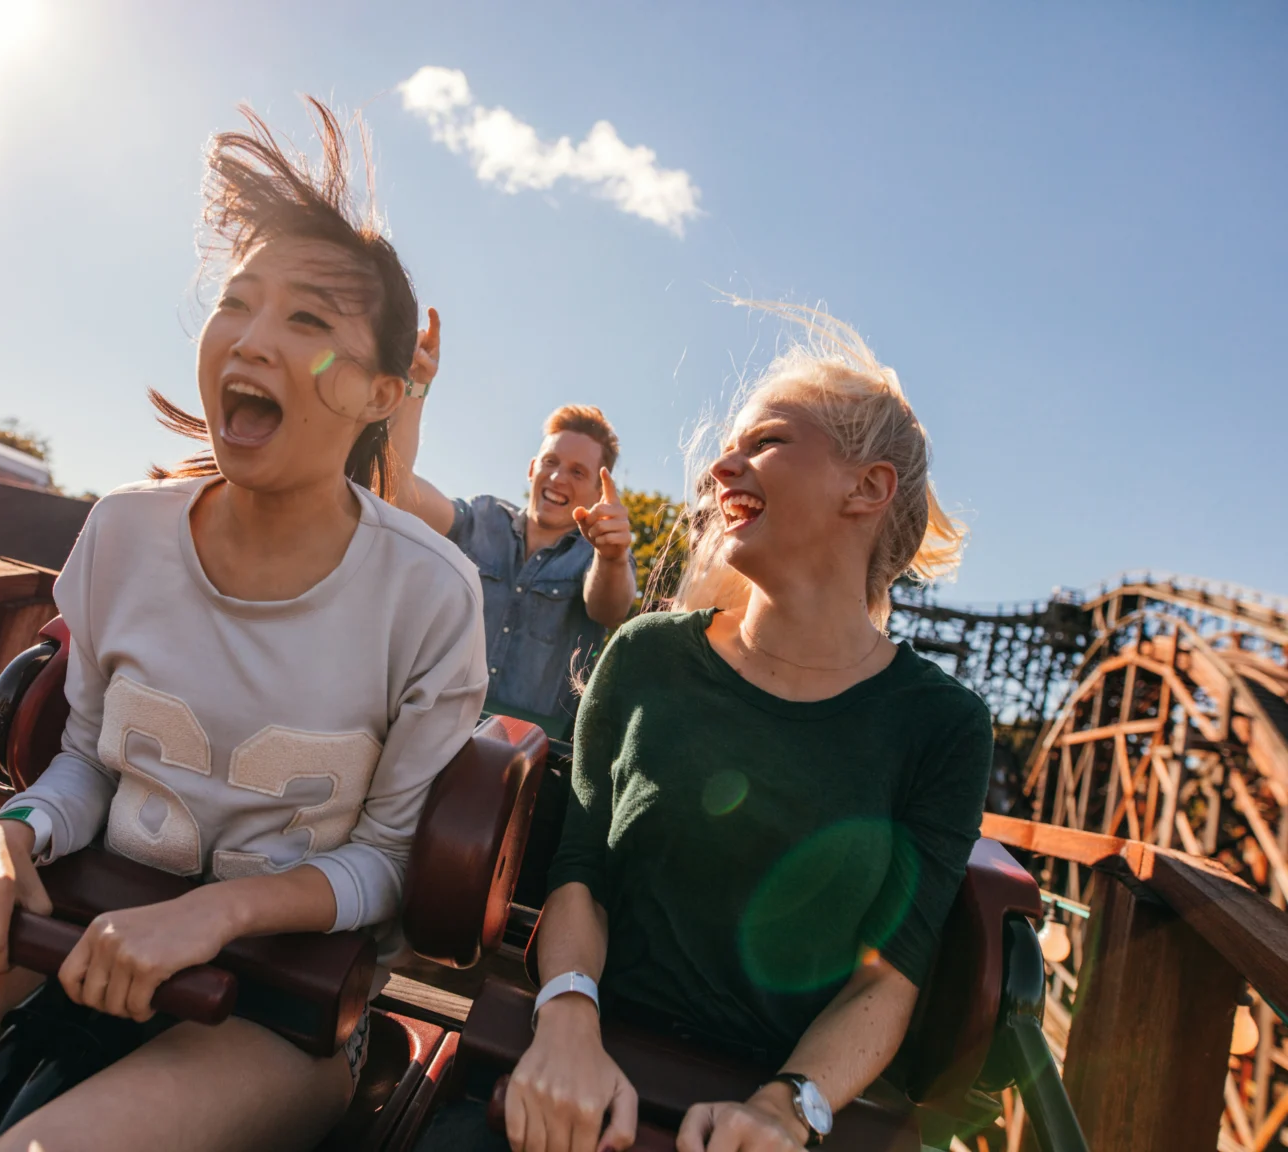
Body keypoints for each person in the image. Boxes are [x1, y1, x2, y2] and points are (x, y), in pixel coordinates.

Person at [0, 101, 487, 1152]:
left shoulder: (431, 593)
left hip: (280, 1006)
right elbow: (91, 760)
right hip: (65, 929)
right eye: (238, 301)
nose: (253, 336)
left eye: (309, 322)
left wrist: (219, 913)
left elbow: (387, 868)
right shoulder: (123, 533)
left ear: (381, 392)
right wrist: (5, 837)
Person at [421, 305, 991, 1152]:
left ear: (867, 488)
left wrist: (786, 1108)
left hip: (766, 1109)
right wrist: (569, 1023)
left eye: (765, 443)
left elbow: (889, 975)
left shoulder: (941, 725)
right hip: (585, 1067)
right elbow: (583, 871)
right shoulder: (649, 656)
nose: (723, 465)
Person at [389, 320, 638, 734]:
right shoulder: (483, 517)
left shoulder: (598, 554)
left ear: (598, 491)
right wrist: (415, 386)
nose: (558, 478)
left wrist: (611, 558)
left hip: (532, 757)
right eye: (551, 462)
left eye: (578, 472)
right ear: (531, 468)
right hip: (431, 728)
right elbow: (397, 492)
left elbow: (609, 609)